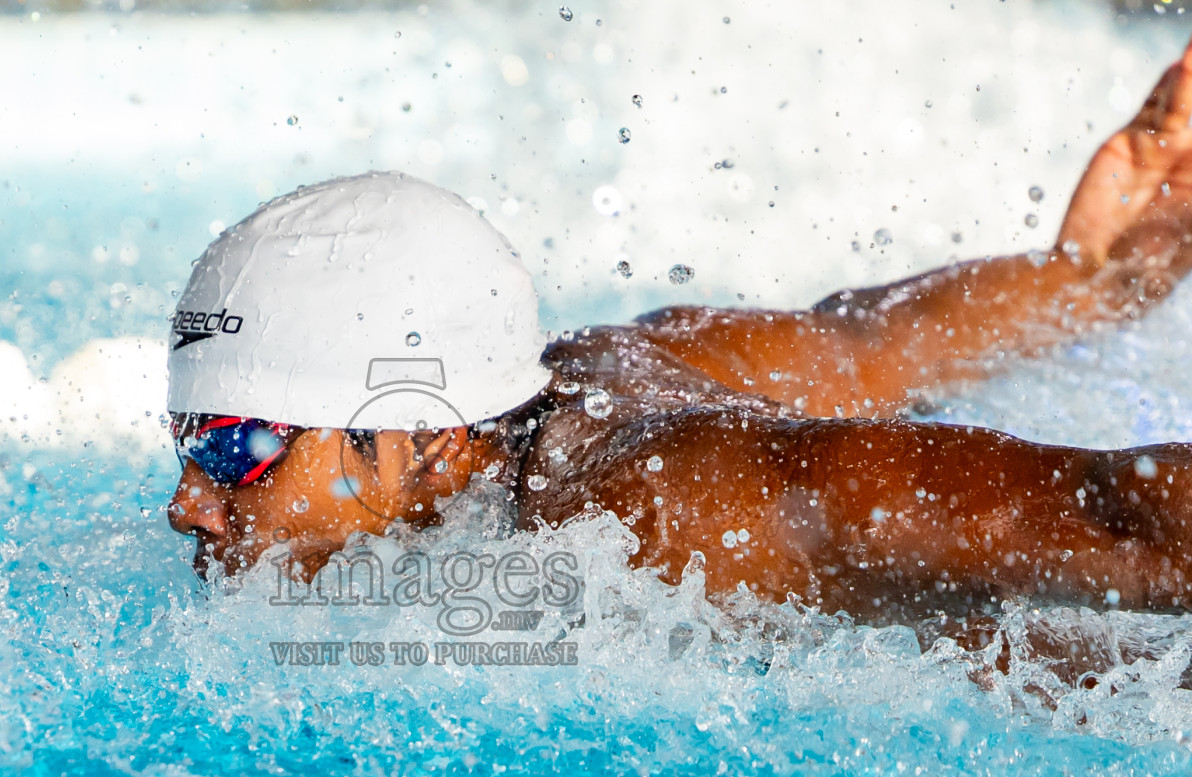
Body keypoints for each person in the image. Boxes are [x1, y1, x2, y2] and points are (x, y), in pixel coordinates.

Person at [168, 40, 1192, 631]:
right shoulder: (581, 371)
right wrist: (1097, 278)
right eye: (189, 443)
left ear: (433, 442)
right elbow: (869, 341)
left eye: (237, 444)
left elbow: (1115, 517)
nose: (185, 504)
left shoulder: (671, 510)